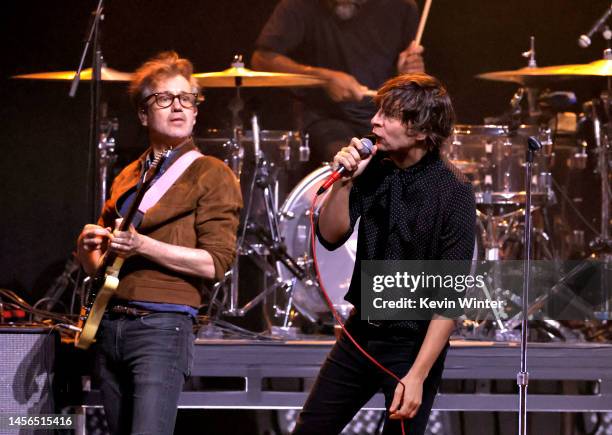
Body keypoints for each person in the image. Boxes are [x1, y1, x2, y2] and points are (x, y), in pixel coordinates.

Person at [293, 73, 476, 434]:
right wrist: (344, 181)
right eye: (377, 111)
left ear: (421, 130)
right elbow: (330, 235)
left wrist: (418, 375)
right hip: (361, 333)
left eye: (389, 115)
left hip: (412, 344)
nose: (374, 121)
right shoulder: (374, 170)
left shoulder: (454, 191)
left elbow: (449, 296)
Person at [76, 51, 242, 434]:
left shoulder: (211, 173)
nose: (178, 107)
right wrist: (88, 249)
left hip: (162, 328)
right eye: (164, 99)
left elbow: (215, 263)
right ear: (143, 114)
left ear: (197, 111)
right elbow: (102, 267)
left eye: (187, 99)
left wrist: (144, 246)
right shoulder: (128, 175)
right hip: (111, 324)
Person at [251, 0, 425, 169]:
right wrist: (322, 77)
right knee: (349, 164)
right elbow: (262, 59)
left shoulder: (402, 6)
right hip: (325, 118)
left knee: (421, 161)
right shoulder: (299, 5)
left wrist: (410, 73)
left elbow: (412, 86)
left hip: (384, 118)